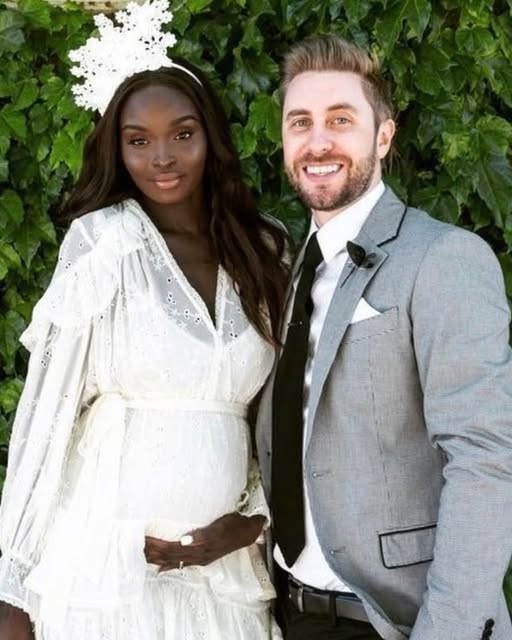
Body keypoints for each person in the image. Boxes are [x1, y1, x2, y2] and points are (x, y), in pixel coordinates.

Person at [0, 2, 288, 639]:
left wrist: (252, 521)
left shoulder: (265, 249)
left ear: (211, 137)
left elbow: (282, 415)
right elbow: (46, 414)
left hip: (223, 579)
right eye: (138, 140)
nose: (163, 156)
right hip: (106, 575)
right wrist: (11, 586)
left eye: (182, 134)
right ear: (117, 149)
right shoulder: (103, 245)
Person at [256, 34, 512, 640]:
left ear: (384, 137)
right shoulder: (284, 269)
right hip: (287, 613)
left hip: (394, 622)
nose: (318, 141)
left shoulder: (443, 258)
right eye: (300, 122)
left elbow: (485, 458)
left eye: (341, 120)